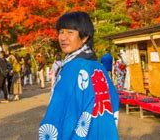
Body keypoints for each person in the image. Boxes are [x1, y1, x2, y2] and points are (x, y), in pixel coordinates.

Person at [39, 11, 119, 139]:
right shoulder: (98, 67)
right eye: (61, 32)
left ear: (84, 37)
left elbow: (59, 112)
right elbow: (113, 101)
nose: (63, 37)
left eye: (70, 32)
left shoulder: (72, 69)